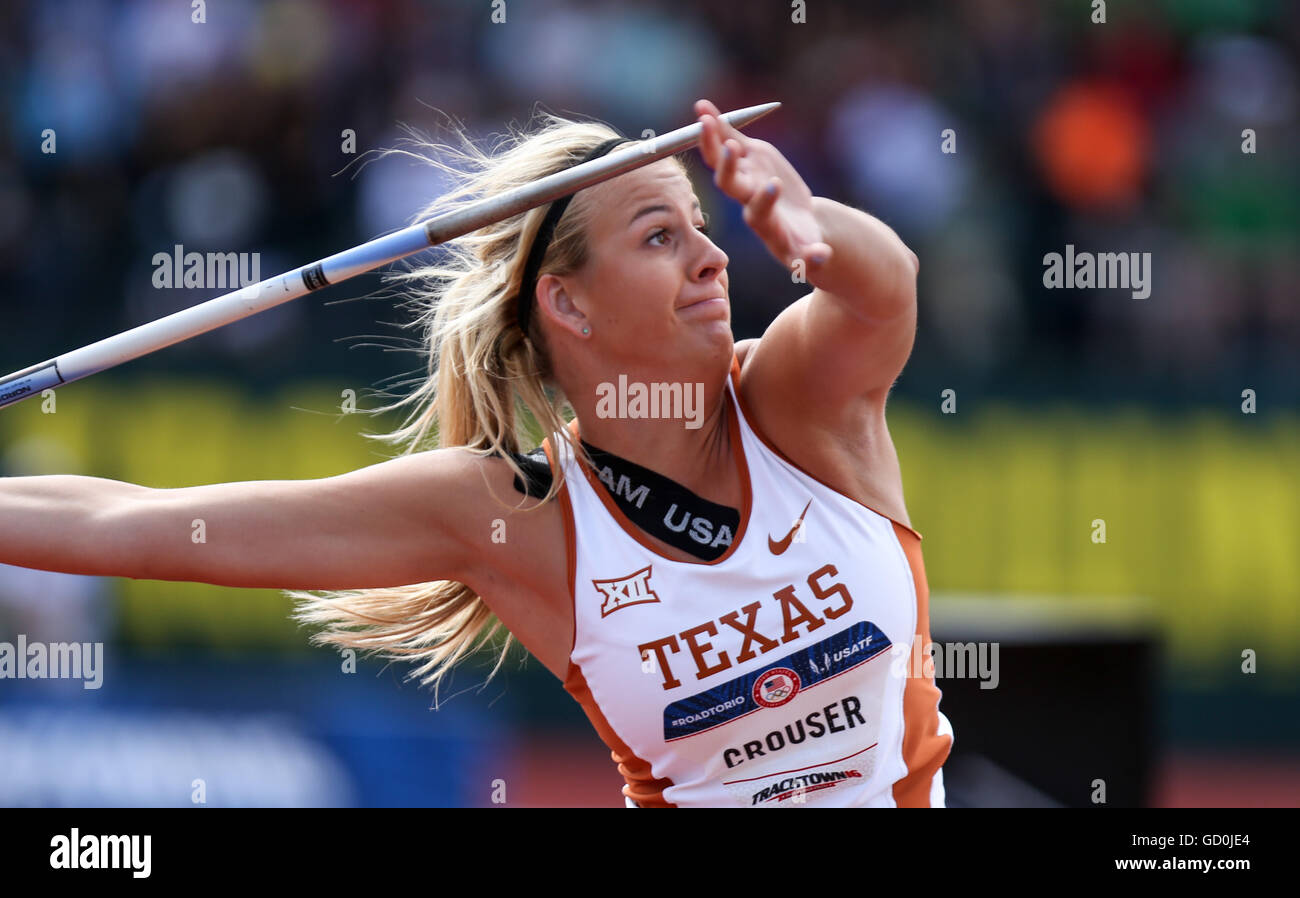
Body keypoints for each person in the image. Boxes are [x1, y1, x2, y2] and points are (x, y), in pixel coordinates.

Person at [0, 99, 952, 807]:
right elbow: (137, 524)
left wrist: (808, 223)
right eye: (661, 236)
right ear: (567, 304)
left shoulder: (793, 403)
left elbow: (885, 290)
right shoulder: (513, 515)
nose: (710, 257)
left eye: (702, 227)